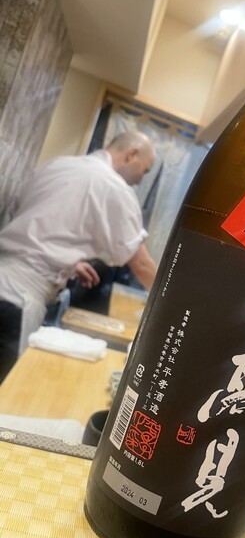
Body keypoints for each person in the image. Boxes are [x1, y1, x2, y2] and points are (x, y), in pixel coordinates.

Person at [0, 129, 158, 381]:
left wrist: (70, 263)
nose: (140, 180)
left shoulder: (57, 165)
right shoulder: (114, 188)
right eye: (145, 170)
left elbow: (33, 222)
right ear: (131, 154)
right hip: (17, 301)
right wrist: (173, 307)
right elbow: (141, 265)